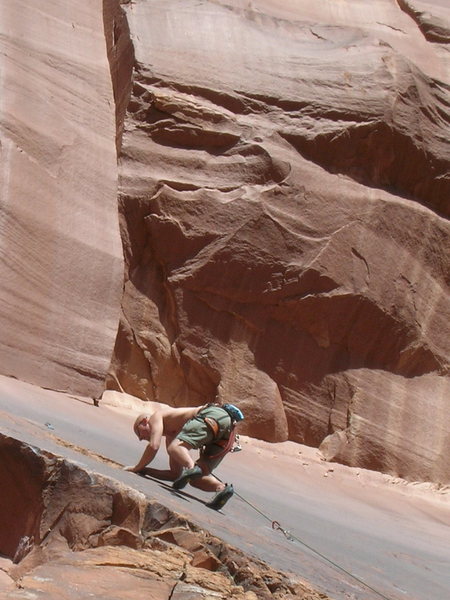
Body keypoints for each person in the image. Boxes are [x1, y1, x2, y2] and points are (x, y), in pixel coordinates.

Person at [124, 401, 243, 510]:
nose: (140, 438)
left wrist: (136, 468)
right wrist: (145, 471)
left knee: (175, 449)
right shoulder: (173, 437)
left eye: (138, 432)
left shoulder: (156, 417)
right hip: (228, 429)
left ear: (144, 421)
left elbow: (153, 446)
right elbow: (174, 475)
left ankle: (192, 468)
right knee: (196, 479)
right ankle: (222, 488)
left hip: (212, 415)